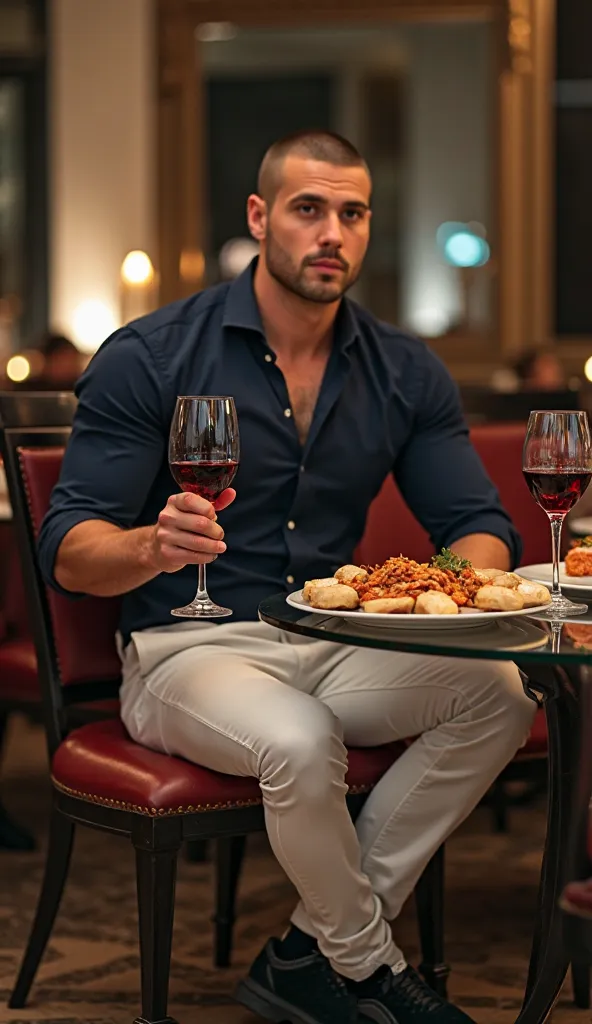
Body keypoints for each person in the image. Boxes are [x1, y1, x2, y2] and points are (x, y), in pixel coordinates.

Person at [38, 131, 535, 1024]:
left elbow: (477, 527)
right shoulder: (154, 355)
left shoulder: (403, 368)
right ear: (262, 217)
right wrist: (152, 545)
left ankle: (307, 952)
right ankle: (371, 969)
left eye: (352, 213)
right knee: (300, 739)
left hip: (333, 641)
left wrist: (456, 586)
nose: (331, 232)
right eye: (309, 209)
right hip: (183, 650)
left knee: (499, 693)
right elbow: (69, 546)